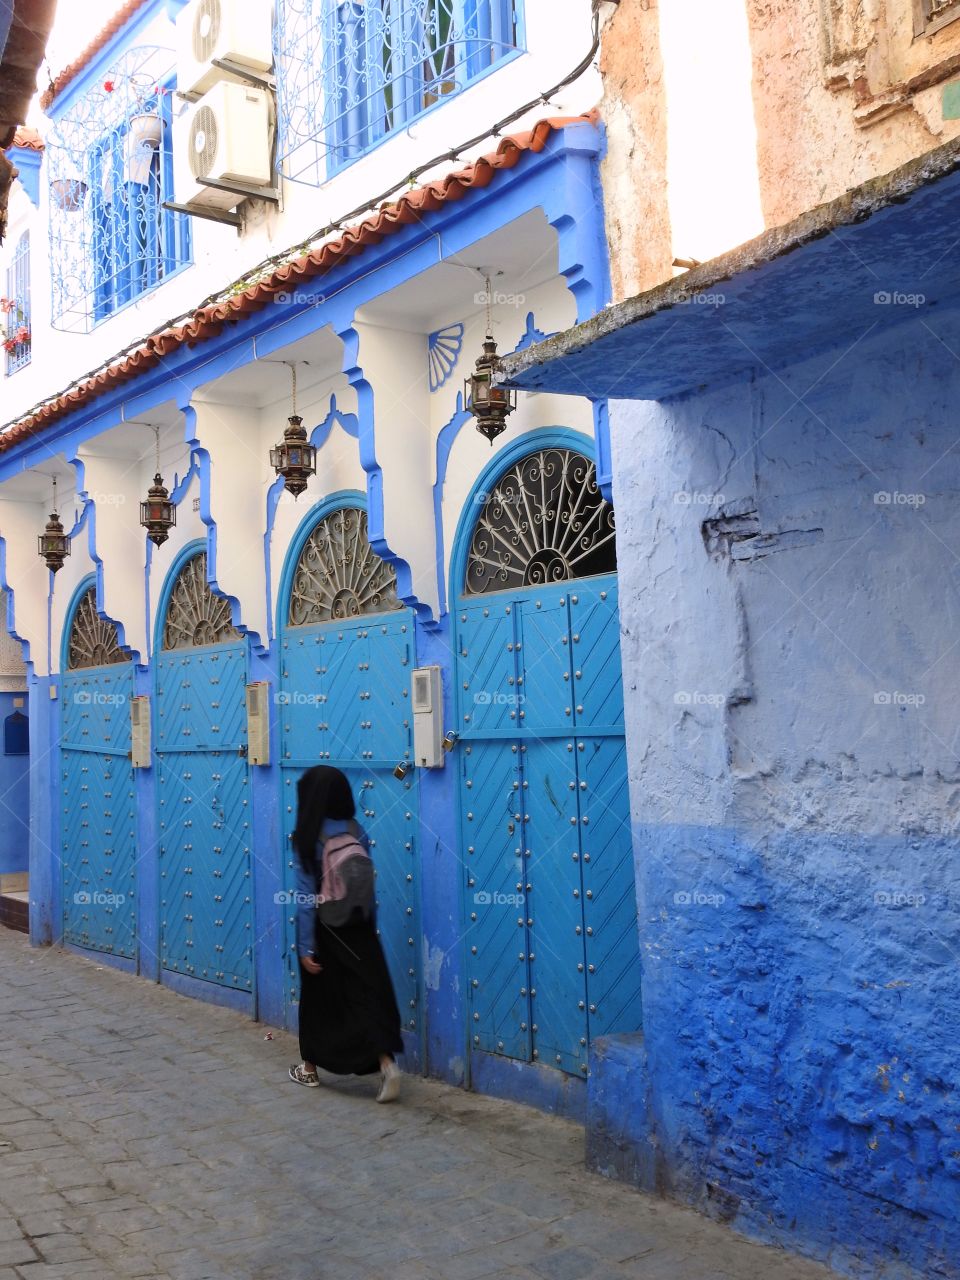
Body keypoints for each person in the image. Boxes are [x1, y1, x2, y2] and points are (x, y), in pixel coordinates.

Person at [288, 765, 404, 1103]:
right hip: (359, 925)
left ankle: (308, 1069)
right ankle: (385, 1063)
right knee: (366, 994)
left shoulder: (307, 837)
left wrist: (306, 946)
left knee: (319, 999)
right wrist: (370, 927)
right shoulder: (357, 830)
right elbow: (366, 885)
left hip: (326, 928)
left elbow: (306, 897)